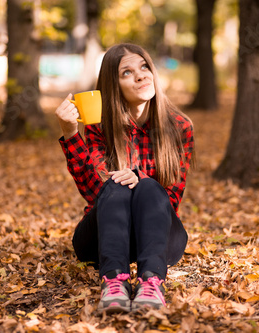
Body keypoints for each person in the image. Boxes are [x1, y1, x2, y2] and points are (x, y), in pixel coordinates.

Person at [54, 43, 194, 313]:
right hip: (102, 237)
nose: (141, 75)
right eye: (127, 73)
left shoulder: (180, 127)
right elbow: (96, 193)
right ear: (113, 86)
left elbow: (172, 198)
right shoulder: (99, 126)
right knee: (116, 186)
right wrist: (72, 134)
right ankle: (113, 281)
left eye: (144, 67)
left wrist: (140, 179)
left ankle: (151, 282)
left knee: (151, 188)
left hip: (158, 237)